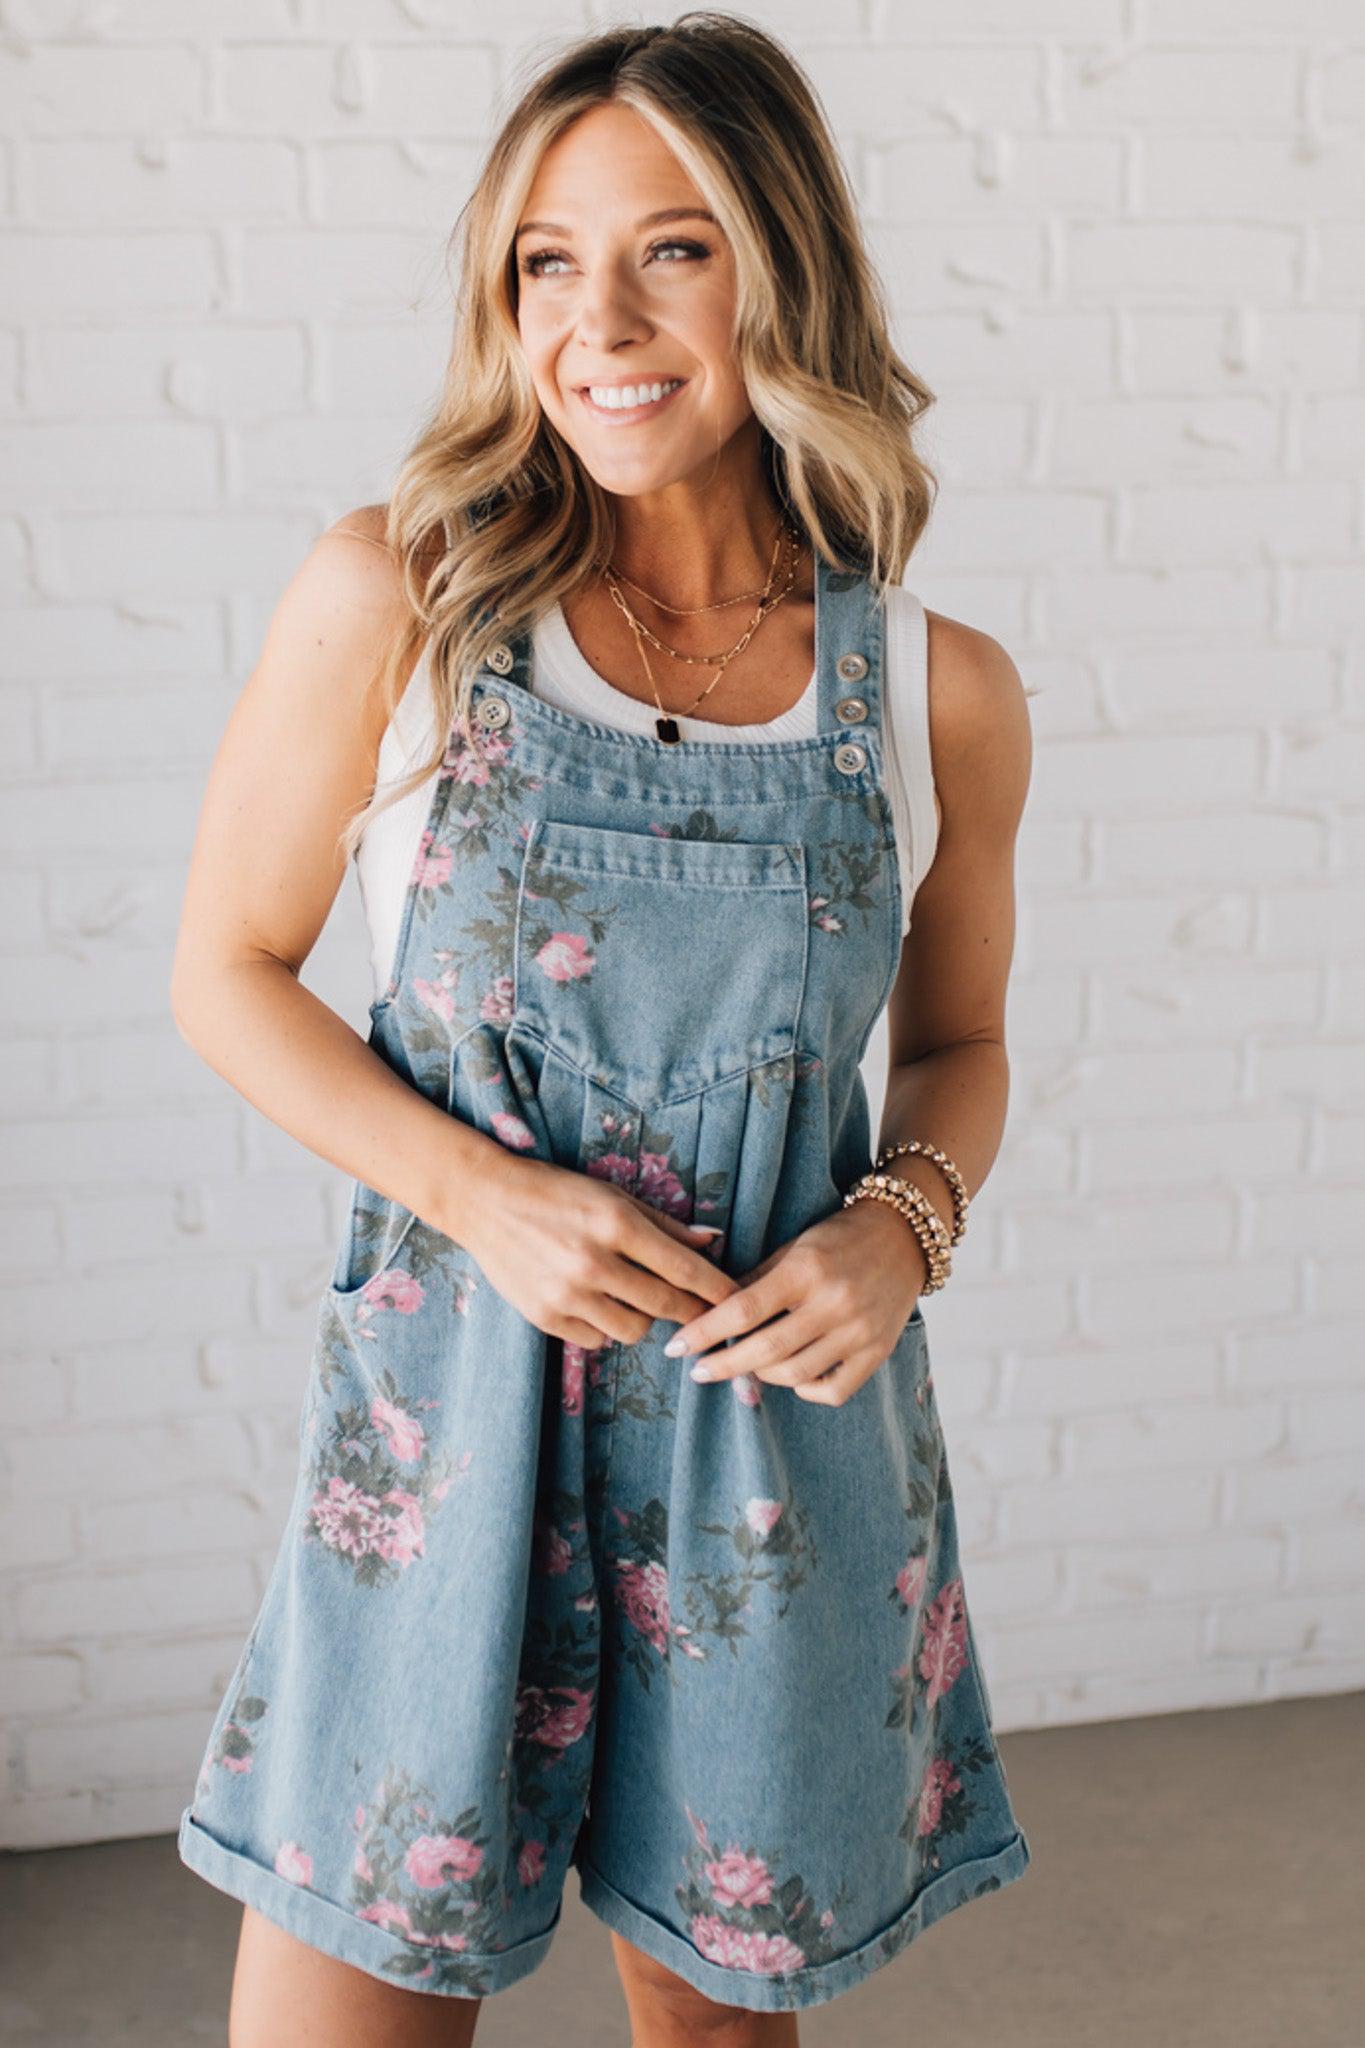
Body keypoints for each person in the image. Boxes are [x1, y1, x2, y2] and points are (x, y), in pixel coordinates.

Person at [170, 14, 1034, 2045]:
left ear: (778, 269)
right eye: (545, 261)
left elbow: (961, 1049)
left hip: (766, 1469)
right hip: (437, 1434)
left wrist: (898, 1224)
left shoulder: (932, 690)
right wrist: (486, 1200)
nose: (600, 319)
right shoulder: (402, 596)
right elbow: (221, 968)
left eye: (674, 248)